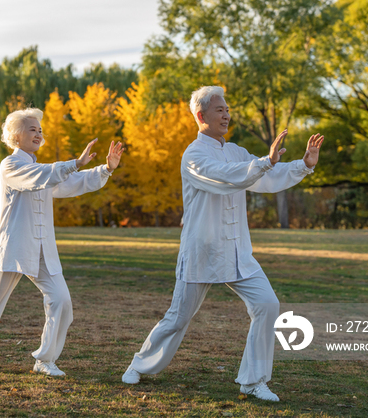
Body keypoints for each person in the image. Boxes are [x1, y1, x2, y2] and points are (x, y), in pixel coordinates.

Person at [121, 86, 323, 401]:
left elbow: (263, 178)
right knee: (178, 317)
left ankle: (253, 380)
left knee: (267, 305)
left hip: (238, 251)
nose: (226, 115)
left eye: (227, 109)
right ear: (201, 115)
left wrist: (304, 165)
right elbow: (226, 176)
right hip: (201, 251)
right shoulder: (193, 155)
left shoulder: (237, 152)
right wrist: (264, 162)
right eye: (220, 110)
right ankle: (140, 365)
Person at [0, 107, 124, 376]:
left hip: (42, 250)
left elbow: (71, 183)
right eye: (32, 129)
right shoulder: (11, 165)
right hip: (13, 248)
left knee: (61, 300)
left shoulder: (44, 169)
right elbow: (40, 178)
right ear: (15, 136)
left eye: (40, 130)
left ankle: (45, 359)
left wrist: (106, 168)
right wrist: (74, 162)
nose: (38, 134)